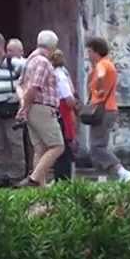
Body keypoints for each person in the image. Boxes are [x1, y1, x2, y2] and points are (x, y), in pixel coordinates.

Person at [16, 31, 64, 188]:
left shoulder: (29, 60)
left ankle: (40, 186)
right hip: (42, 107)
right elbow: (34, 88)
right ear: (53, 46)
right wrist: (25, 107)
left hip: (32, 108)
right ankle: (35, 179)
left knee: (40, 148)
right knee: (57, 146)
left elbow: (20, 85)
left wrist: (23, 106)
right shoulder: (43, 62)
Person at [86, 37, 130, 183]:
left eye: (89, 51)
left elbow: (101, 76)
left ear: (96, 52)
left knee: (97, 147)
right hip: (107, 109)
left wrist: (100, 91)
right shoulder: (107, 65)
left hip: (103, 109)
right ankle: (103, 179)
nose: (88, 55)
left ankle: (122, 171)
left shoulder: (102, 64)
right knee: (99, 145)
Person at [0, 32, 27, 186]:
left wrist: (18, 97)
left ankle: (17, 174)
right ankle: (4, 174)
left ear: (1, 46)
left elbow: (26, 79)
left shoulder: (14, 63)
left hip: (11, 107)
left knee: (14, 142)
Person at [50, 49, 78, 181]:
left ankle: (62, 177)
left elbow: (67, 96)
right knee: (65, 143)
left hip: (61, 109)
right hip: (64, 110)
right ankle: (64, 177)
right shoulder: (63, 73)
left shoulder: (57, 74)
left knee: (63, 144)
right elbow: (70, 95)